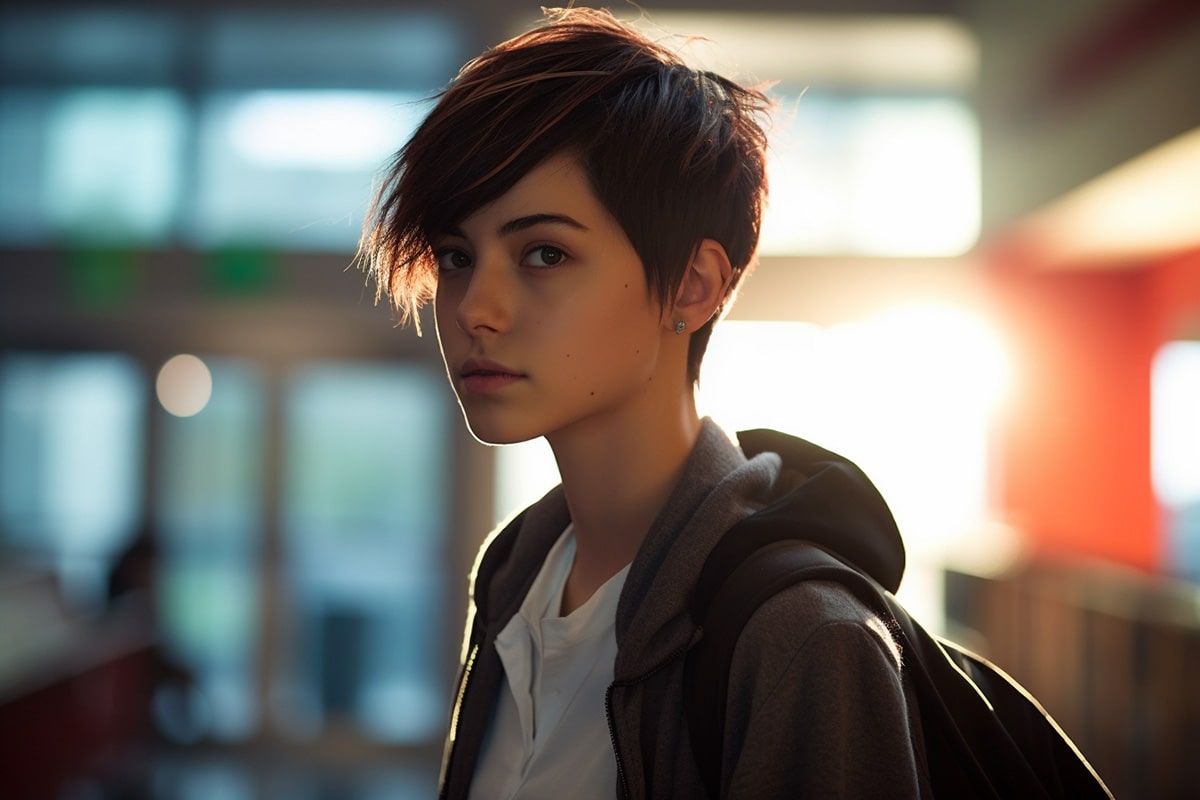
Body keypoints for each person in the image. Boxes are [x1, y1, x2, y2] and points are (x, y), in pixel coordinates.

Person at [359, 7, 928, 798]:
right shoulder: (516, 574)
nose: (473, 308)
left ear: (693, 286)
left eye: (544, 253)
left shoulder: (802, 638)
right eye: (457, 256)